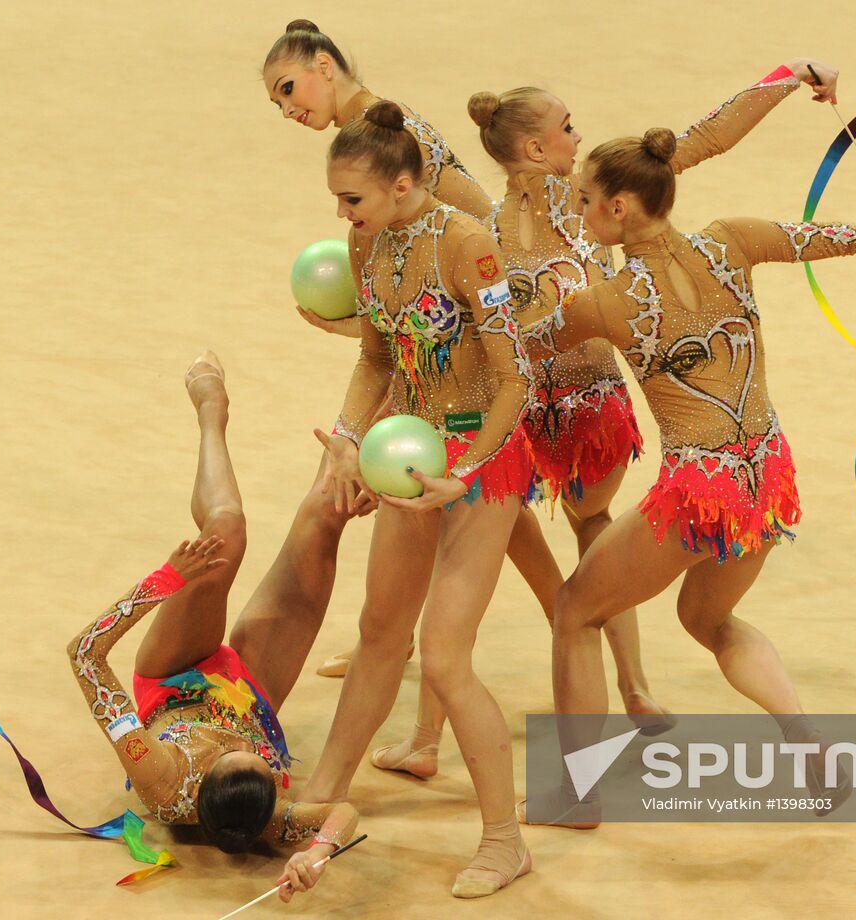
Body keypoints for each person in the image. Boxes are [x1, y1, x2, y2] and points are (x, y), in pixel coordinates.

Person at [519, 129, 856, 824]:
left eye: (586, 203)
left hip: (698, 490)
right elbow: (848, 236)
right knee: (707, 619)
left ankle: (576, 795)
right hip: (766, 476)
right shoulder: (729, 240)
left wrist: (530, 294)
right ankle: (805, 740)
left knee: (575, 610)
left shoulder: (608, 302)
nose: (580, 217)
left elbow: (517, 343)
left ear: (620, 208)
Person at [368, 60, 841, 776]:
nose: (577, 135)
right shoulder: (589, 200)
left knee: (477, 553)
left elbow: (428, 155)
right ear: (534, 148)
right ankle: (628, 690)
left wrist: (363, 105)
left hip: (541, 408)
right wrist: (791, 74)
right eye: (566, 128)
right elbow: (705, 138)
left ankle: (449, 737)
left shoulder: (489, 215)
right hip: (573, 407)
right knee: (587, 542)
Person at [259, 18, 562, 683]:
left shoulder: (392, 136)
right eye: (276, 102)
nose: (287, 108)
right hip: (438, 328)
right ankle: (558, 622)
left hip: (471, 336)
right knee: (486, 511)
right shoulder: (368, 133)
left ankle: (397, 637)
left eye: (289, 87)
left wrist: (445, 325)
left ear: (325, 65)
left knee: (417, 484)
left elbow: (474, 229)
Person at [299, 101, 534, 898]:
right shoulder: (368, 248)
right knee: (377, 631)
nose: (340, 214)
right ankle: (323, 792)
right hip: (410, 458)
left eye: (352, 199)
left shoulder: (472, 248)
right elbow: (375, 359)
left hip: (482, 465)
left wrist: (463, 474)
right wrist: (344, 436)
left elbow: (515, 380)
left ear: (404, 186)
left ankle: (505, 841)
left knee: (443, 655)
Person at [67, 352, 356, 902]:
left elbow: (84, 656)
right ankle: (379, 399)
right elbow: (341, 812)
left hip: (175, 675)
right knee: (329, 516)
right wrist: (318, 853)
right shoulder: (274, 820)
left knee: (226, 534)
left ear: (200, 780)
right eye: (260, 758)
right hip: (251, 693)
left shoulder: (162, 779)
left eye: (231, 751)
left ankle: (210, 411)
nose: (237, 743)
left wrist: (164, 580)